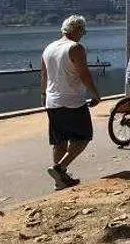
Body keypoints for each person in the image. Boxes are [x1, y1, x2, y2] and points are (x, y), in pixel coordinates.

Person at [40, 15, 101, 190]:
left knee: (59, 141)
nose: (83, 35)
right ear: (77, 30)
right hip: (72, 101)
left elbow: (43, 75)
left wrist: (43, 95)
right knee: (83, 137)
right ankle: (60, 168)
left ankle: (60, 179)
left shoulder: (49, 48)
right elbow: (84, 74)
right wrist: (95, 94)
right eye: (83, 31)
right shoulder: (75, 48)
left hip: (52, 101)